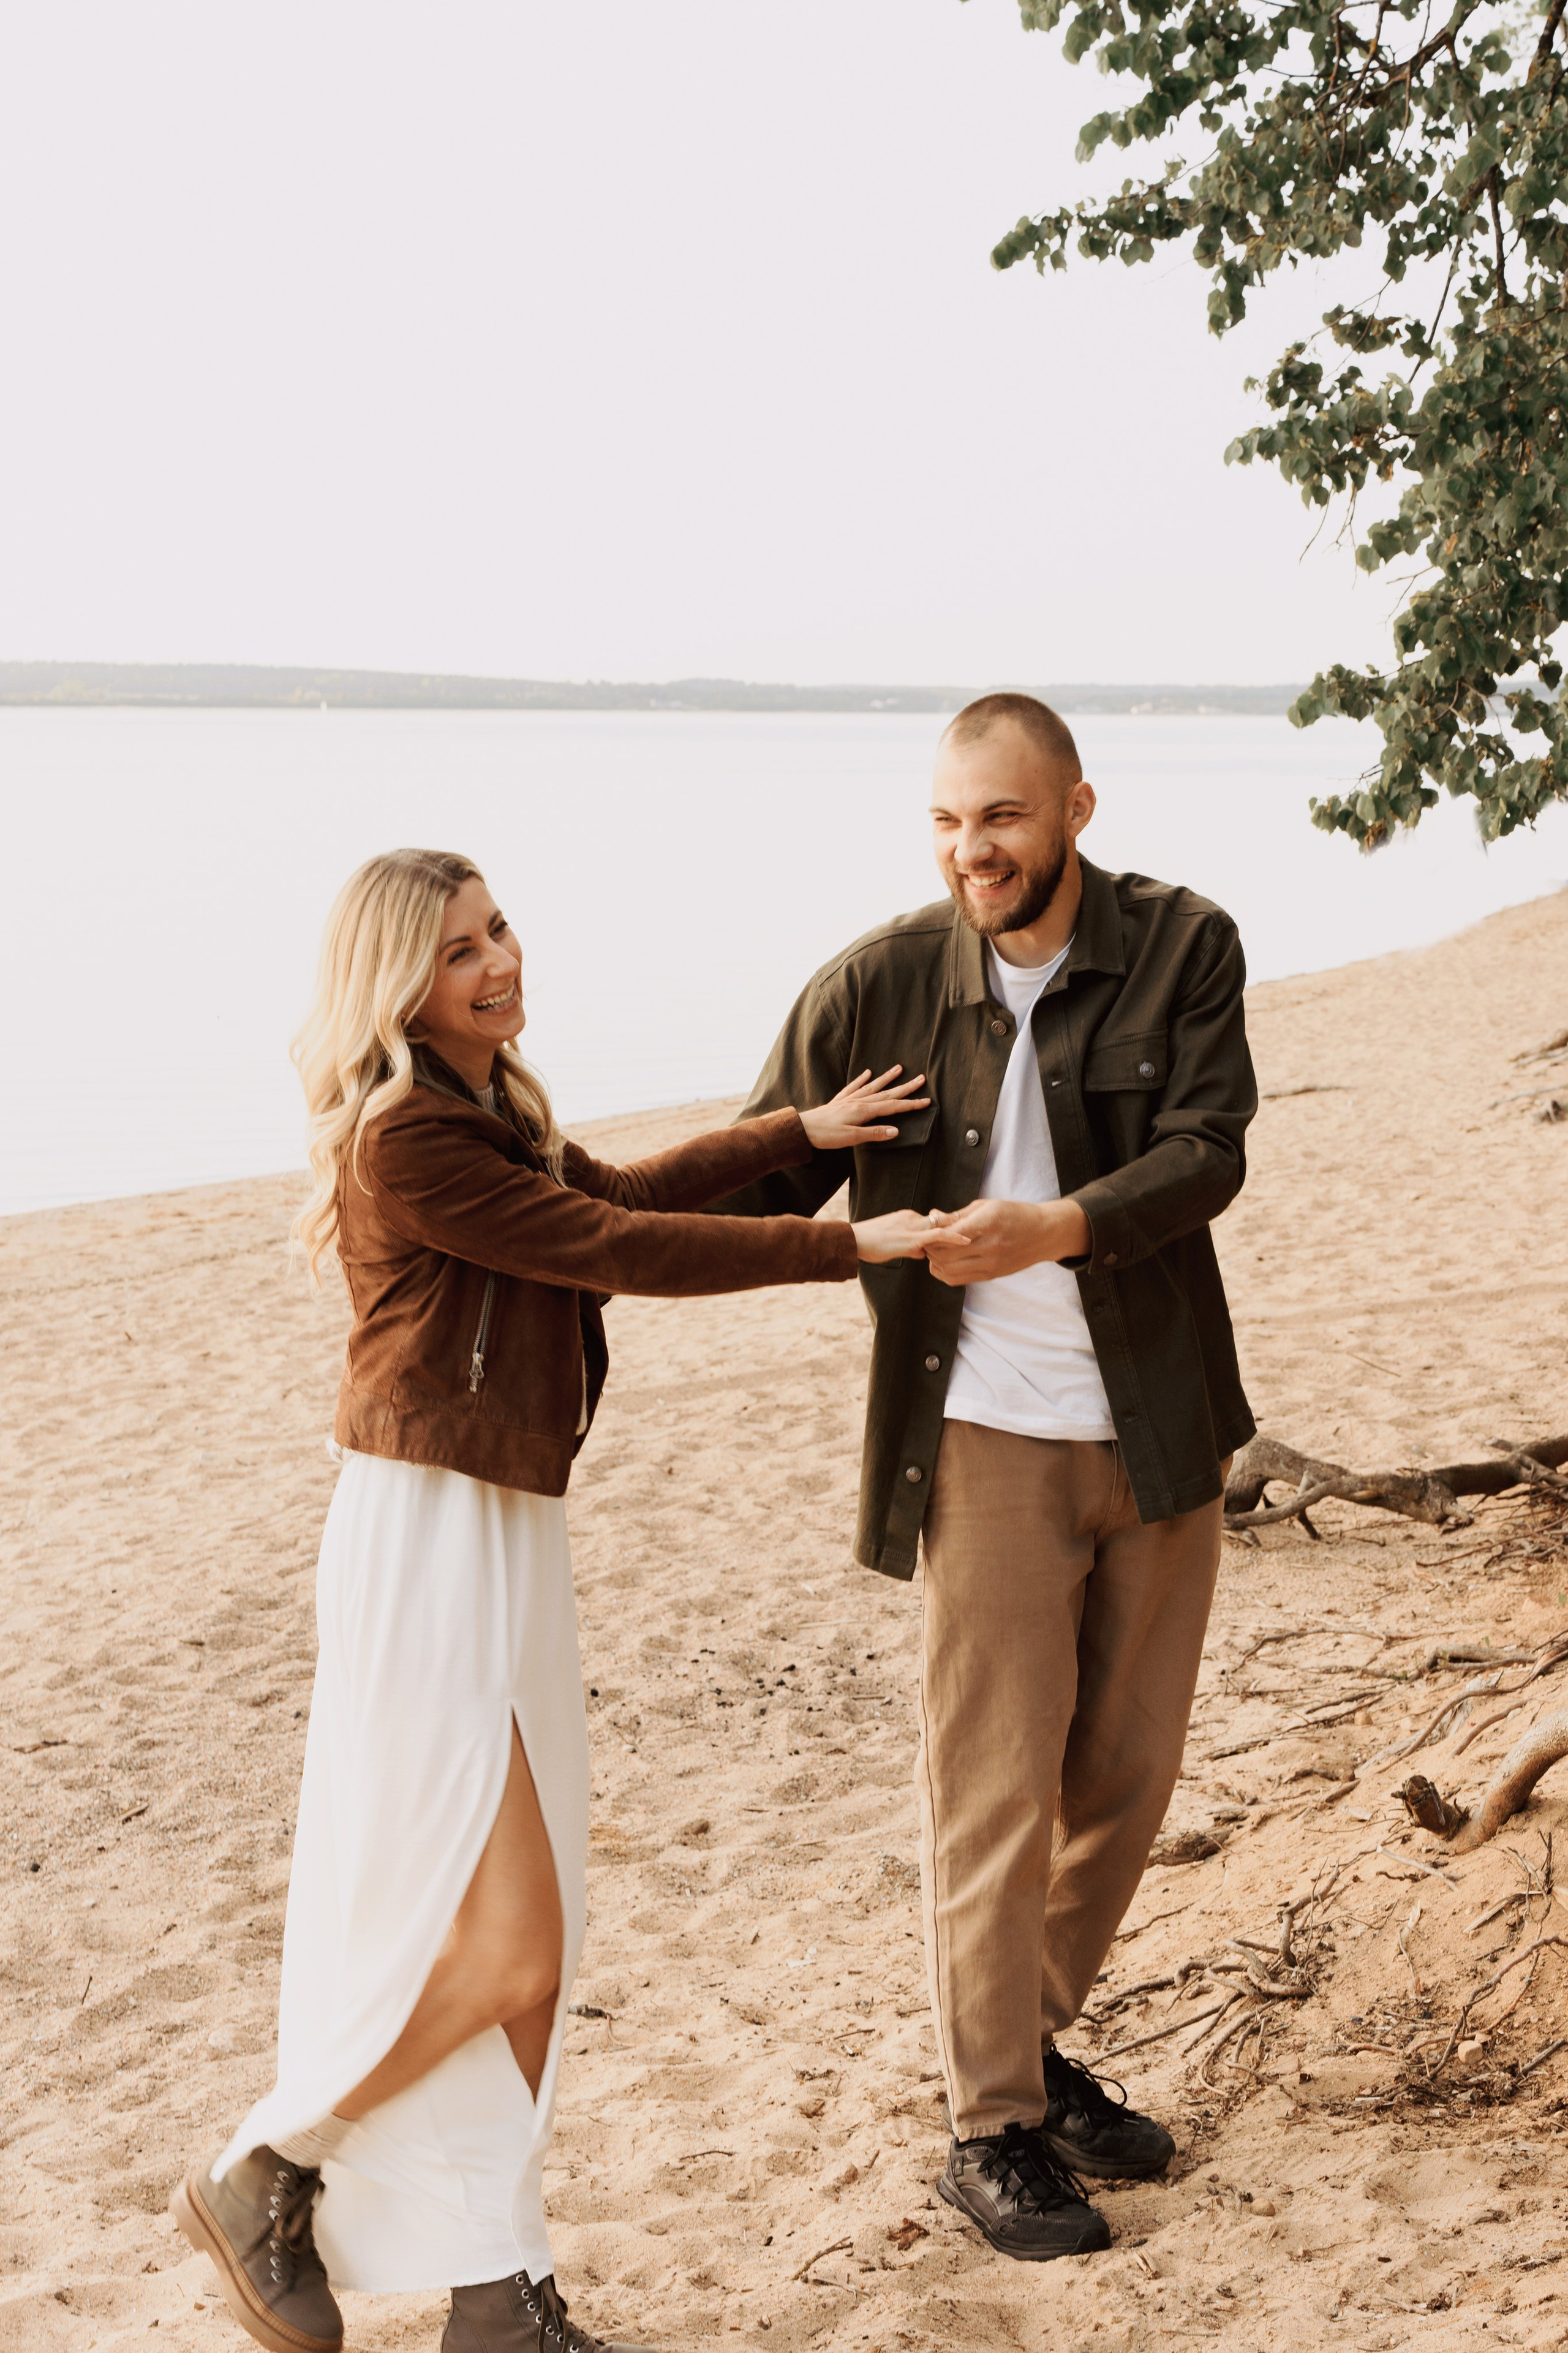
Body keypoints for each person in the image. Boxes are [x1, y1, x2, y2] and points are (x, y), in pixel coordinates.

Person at [169, 848, 931, 2353]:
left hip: (502, 1522)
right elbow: (611, 1249)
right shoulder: (405, 1140)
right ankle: (270, 2157)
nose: (497, 963)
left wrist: (800, 1129)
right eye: (457, 950)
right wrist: (844, 1240)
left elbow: (622, 1188)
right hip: (424, 1535)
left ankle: (494, 2295)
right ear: (399, 982)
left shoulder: (489, 1109)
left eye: (498, 928)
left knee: (540, 1934)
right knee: (509, 1940)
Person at [709, 693, 1257, 2263]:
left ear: (1074, 807)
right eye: (948, 823)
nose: (973, 853)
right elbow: (759, 1179)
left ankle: (1025, 2048)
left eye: (1001, 819)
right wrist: (537, 1198)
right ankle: (988, 2121)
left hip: (1157, 1426)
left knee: (1126, 1777)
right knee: (995, 1785)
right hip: (981, 1441)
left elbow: (1210, 1147)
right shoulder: (874, 983)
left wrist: (1054, 1226)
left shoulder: (1180, 945)